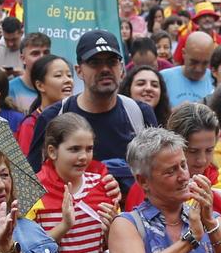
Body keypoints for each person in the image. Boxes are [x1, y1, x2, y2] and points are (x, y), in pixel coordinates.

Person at [26, 114, 119, 253]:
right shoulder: (35, 191)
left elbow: (111, 248)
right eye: (74, 149)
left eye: (89, 149)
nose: (83, 157)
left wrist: (112, 231)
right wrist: (63, 227)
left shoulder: (103, 186)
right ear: (52, 151)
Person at [23, 30, 159, 167]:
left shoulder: (140, 114)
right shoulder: (52, 117)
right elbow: (35, 181)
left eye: (112, 62)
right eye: (95, 63)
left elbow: (157, 172)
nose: (105, 69)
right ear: (79, 71)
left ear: (122, 69)